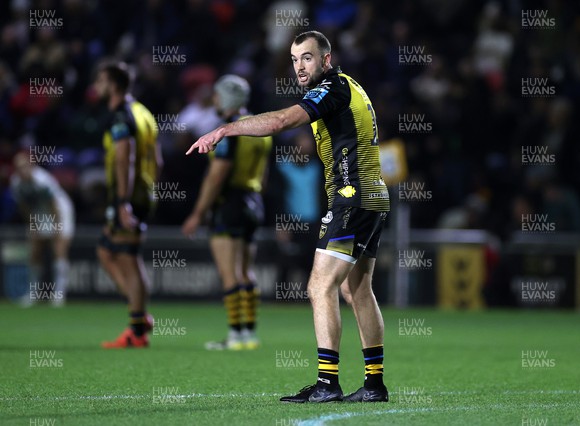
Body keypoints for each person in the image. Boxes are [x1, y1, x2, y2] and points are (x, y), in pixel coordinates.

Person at [187, 31, 390, 403]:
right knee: (356, 288)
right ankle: (374, 385)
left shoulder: (331, 88)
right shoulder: (349, 87)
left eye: (307, 58)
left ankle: (328, 383)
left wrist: (225, 128)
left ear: (326, 60)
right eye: (295, 58)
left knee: (319, 286)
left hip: (352, 198)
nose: (299, 66)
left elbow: (282, 121)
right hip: (370, 197)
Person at [182, 74, 272, 350]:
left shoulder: (231, 131)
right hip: (253, 202)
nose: (215, 101)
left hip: (230, 203)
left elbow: (216, 176)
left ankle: (234, 334)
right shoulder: (259, 130)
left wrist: (198, 212)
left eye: (219, 96)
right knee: (246, 271)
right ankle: (249, 334)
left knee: (229, 273)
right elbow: (264, 175)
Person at [95, 62, 163, 348]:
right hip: (143, 193)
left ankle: (137, 328)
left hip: (129, 196)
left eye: (100, 80)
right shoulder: (143, 113)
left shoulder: (122, 116)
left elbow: (126, 158)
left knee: (127, 258)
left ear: (113, 85)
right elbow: (158, 160)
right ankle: (139, 317)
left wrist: (123, 201)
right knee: (107, 250)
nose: (96, 85)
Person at [10, 152, 74, 307]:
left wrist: (56, 228)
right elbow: (24, 207)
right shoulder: (16, 183)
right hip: (39, 212)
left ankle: (59, 294)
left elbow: (55, 206)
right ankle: (33, 293)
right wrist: (33, 226)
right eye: (19, 167)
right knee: (35, 250)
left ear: (32, 166)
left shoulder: (43, 180)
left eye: (25, 166)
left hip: (60, 210)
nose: (22, 170)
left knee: (58, 249)